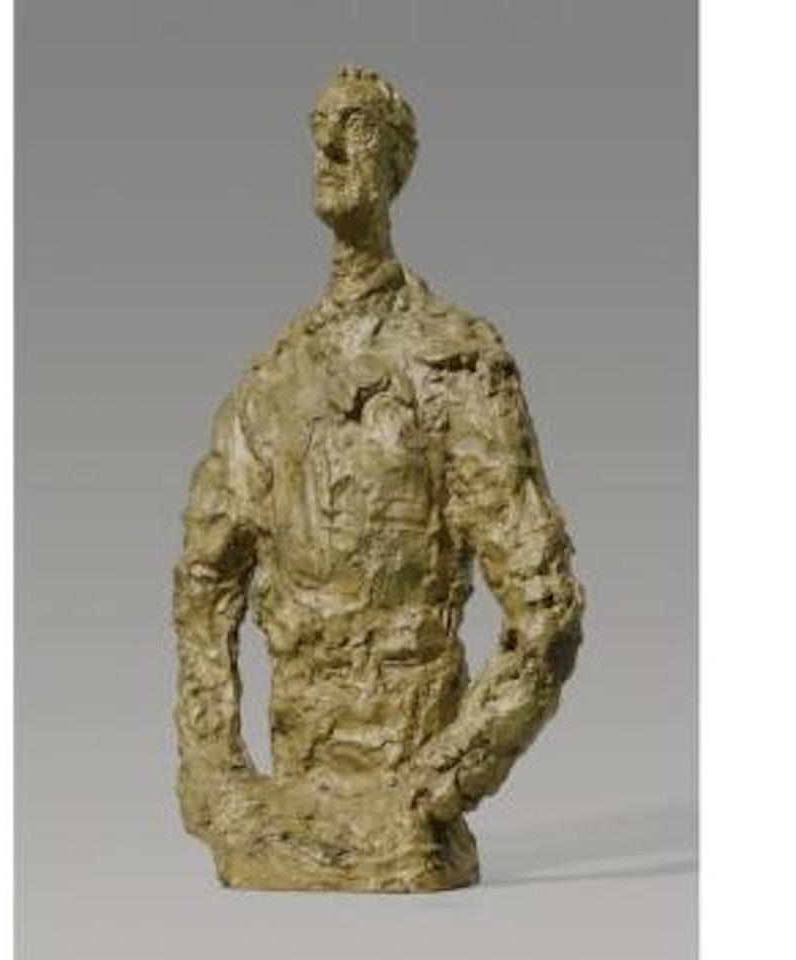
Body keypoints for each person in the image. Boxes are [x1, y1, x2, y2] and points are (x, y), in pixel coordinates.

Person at [173, 64, 584, 891]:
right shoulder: (271, 383)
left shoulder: (453, 364)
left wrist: (439, 788)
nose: (327, 145)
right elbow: (203, 584)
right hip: (289, 801)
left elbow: (547, 610)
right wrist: (213, 776)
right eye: (317, 128)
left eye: (356, 126)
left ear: (398, 163)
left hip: (406, 788)